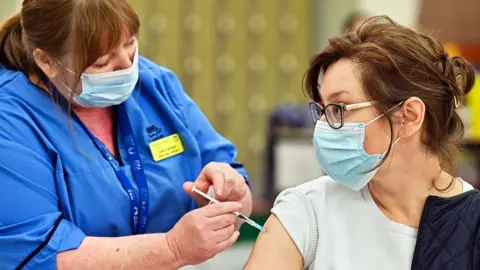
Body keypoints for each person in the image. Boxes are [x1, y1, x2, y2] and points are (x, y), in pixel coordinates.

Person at [0, 0, 252, 269]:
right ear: (47, 61)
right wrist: (172, 249)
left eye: (129, 43)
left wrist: (232, 196)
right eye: (101, 62)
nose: (127, 65)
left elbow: (234, 182)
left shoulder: (156, 84)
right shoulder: (11, 118)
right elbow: (35, 253)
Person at [244, 15, 476, 270]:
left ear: (409, 116)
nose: (323, 125)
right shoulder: (306, 212)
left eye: (340, 108)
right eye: (323, 110)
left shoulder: (471, 222)